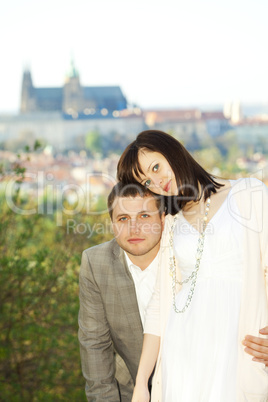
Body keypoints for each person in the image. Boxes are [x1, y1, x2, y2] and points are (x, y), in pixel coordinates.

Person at [117, 130, 268, 401]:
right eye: (147, 181)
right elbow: (160, 302)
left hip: (238, 352)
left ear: (173, 151)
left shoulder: (249, 193)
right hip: (184, 355)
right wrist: (142, 382)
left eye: (156, 167)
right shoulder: (171, 223)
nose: (157, 181)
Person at [78, 182, 165, 401]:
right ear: (112, 224)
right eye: (123, 219)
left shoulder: (186, 258)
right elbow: (95, 346)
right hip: (129, 390)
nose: (133, 229)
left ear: (162, 220)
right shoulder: (96, 263)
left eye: (144, 216)